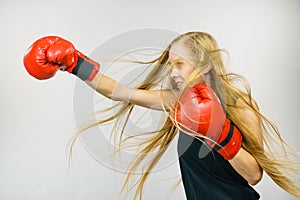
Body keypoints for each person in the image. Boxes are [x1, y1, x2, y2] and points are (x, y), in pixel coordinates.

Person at [23, 32, 300, 200]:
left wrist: (218, 132)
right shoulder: (175, 103)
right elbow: (119, 92)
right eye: (170, 64)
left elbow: (254, 176)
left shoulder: (240, 105)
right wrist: (75, 64)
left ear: (202, 63)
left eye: (180, 63)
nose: (173, 72)